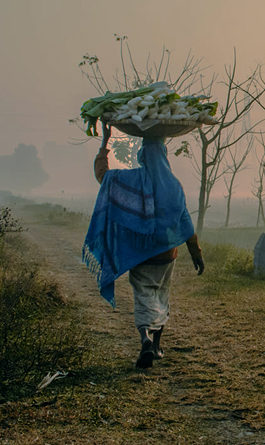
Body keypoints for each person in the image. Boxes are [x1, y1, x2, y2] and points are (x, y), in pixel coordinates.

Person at [82, 124, 204, 369]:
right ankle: (157, 346)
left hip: (139, 253)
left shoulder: (129, 180)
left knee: (143, 296)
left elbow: (103, 175)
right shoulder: (174, 186)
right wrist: (196, 253)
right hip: (167, 255)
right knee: (161, 295)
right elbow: (186, 222)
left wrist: (105, 143)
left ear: (141, 156)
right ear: (164, 156)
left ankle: (145, 338)